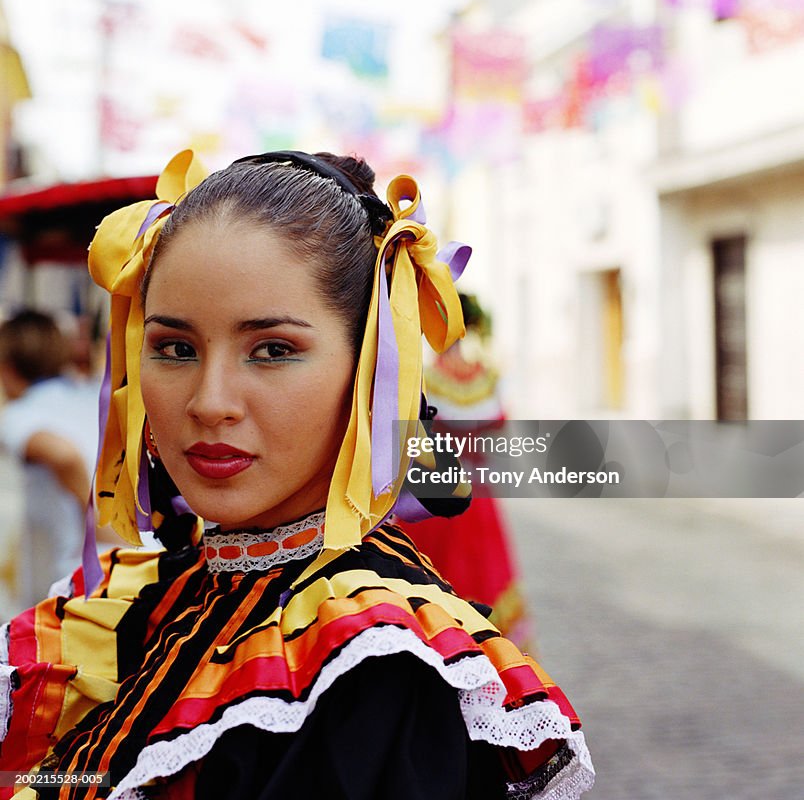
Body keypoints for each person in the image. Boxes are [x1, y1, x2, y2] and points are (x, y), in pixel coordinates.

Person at [0, 149, 594, 799]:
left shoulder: (367, 664)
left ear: (369, 363)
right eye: (175, 348)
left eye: (273, 350)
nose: (209, 401)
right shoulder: (156, 598)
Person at [397, 292, 532, 648]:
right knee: (482, 571)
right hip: (478, 491)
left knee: (432, 575)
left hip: (432, 493)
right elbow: (499, 424)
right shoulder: (487, 377)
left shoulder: (423, 378)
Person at [0, 309, 99, 607]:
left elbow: (64, 456)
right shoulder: (90, 394)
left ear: (7, 368)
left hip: (80, 575)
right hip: (127, 560)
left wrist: (99, 519)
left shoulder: (20, 413)